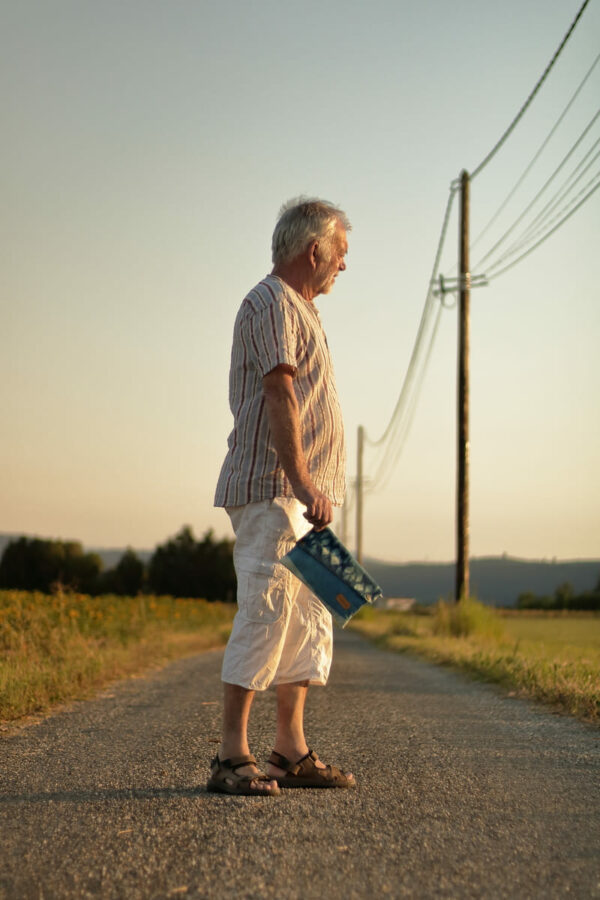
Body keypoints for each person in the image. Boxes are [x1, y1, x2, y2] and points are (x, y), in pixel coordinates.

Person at [209, 197, 355, 796]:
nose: (344, 266)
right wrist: (300, 482)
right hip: (276, 490)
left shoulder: (303, 310)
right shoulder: (269, 302)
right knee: (265, 611)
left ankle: (289, 751)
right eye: (341, 252)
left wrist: (314, 491)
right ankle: (230, 756)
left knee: (307, 619)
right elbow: (278, 392)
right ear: (313, 249)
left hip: (303, 498)